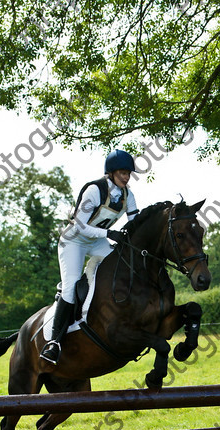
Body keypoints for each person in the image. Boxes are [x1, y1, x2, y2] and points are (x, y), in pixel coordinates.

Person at [40, 149, 139, 364]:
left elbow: (135, 222)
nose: (126, 177)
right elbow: (79, 225)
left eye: (128, 173)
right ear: (111, 173)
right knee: (70, 286)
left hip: (97, 242)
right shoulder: (94, 190)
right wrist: (109, 233)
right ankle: (54, 343)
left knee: (122, 266)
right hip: (74, 241)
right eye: (122, 173)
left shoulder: (127, 195)